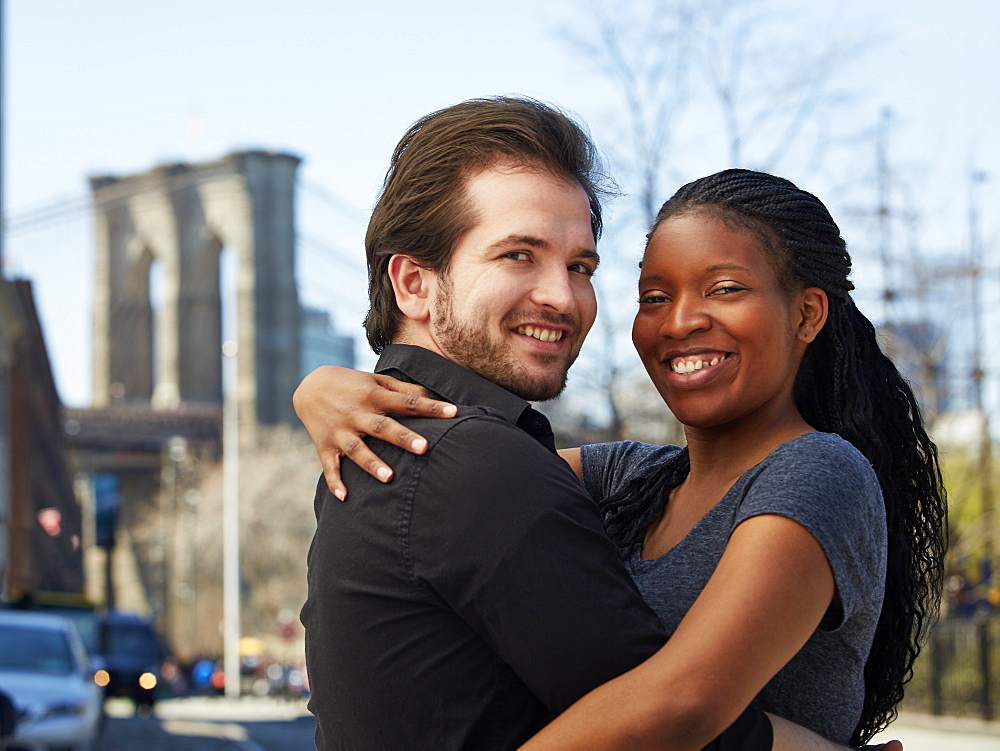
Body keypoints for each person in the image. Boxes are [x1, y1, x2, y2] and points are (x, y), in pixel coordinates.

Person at [296, 168, 945, 747]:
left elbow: (679, 704)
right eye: (655, 296)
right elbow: (467, 469)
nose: (681, 320)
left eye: (723, 288)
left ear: (805, 314)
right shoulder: (633, 478)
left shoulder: (820, 473)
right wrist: (321, 389)